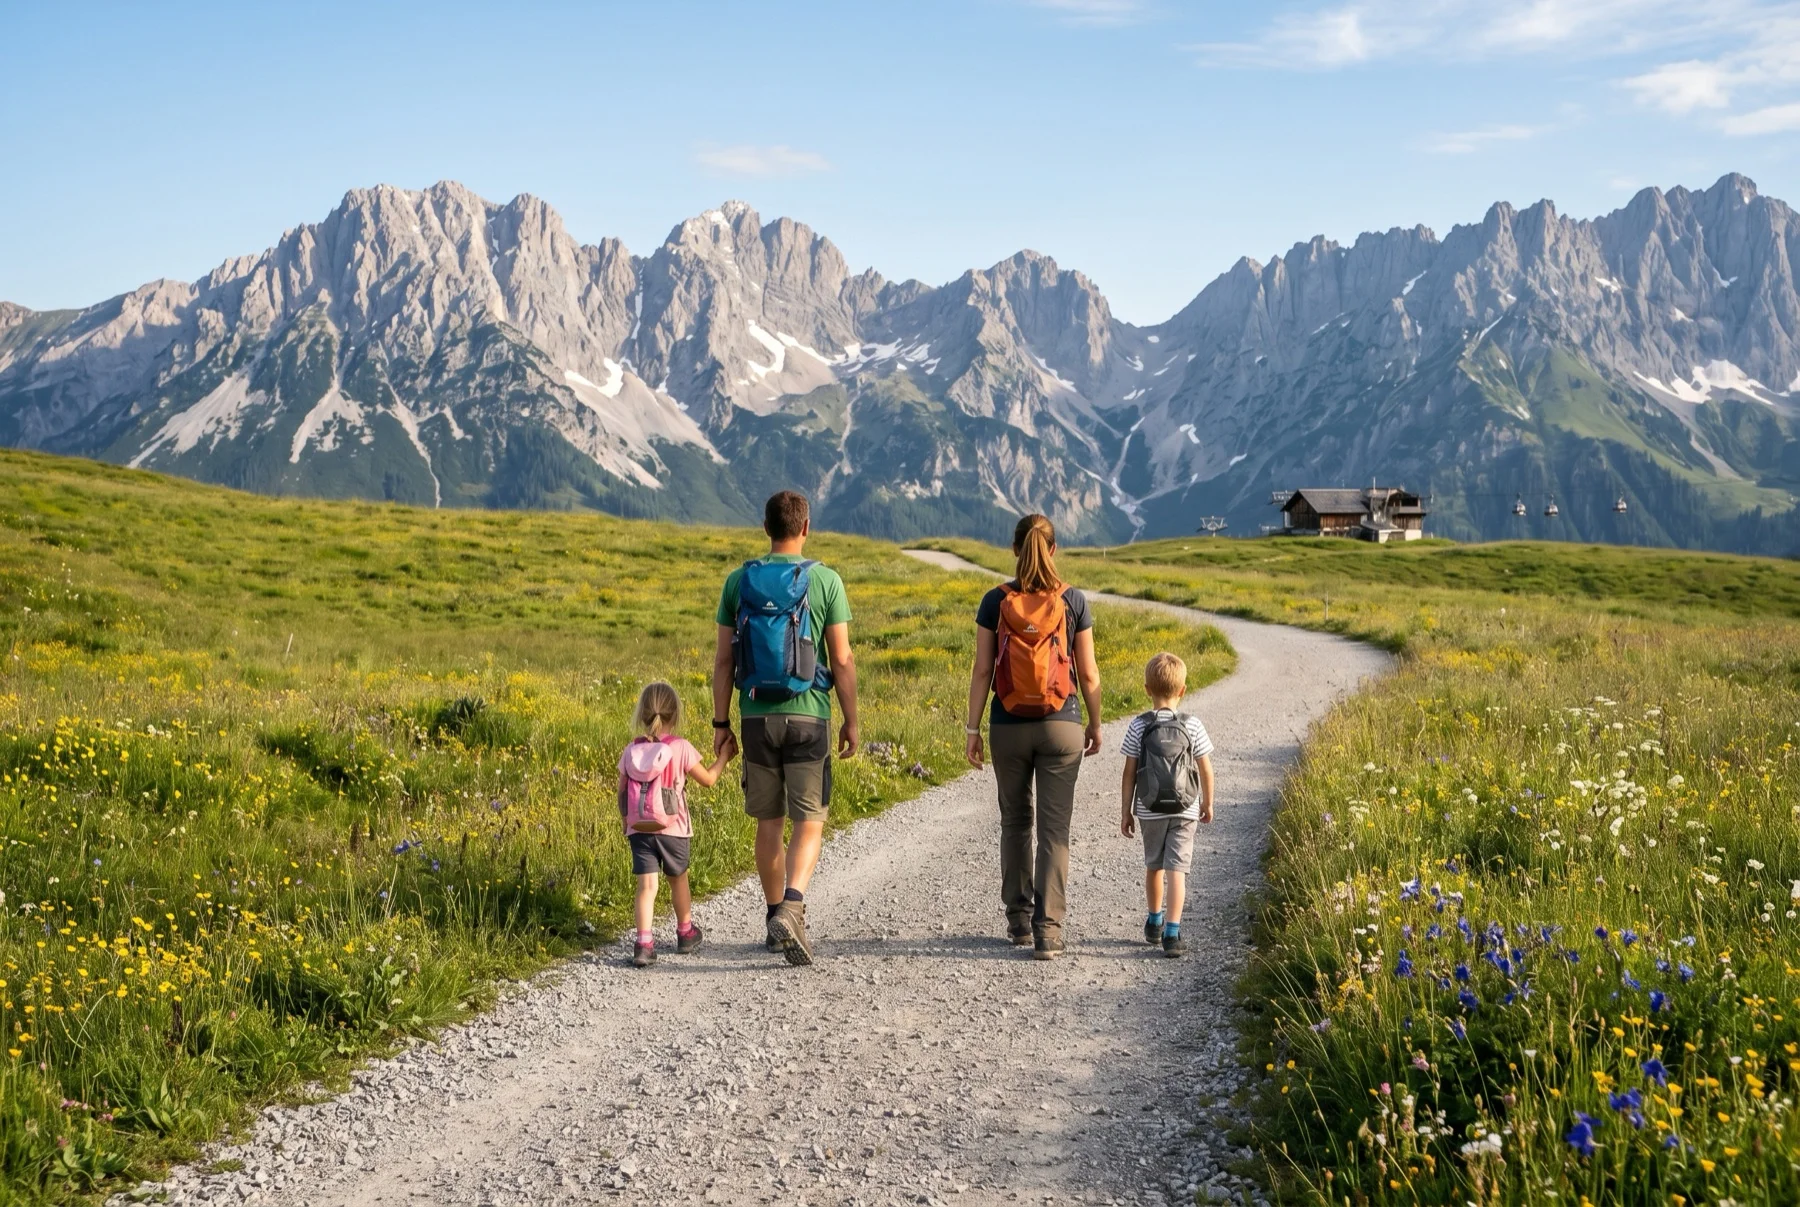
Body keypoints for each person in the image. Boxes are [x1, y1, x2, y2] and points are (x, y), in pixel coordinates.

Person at [713, 490, 859, 966]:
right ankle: (794, 906)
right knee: (810, 819)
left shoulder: (739, 582)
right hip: (809, 714)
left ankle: (775, 915)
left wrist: (720, 723)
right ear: (806, 527)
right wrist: (852, 719)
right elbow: (841, 659)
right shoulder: (826, 581)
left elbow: (723, 661)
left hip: (755, 717)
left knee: (768, 823)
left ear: (766, 528)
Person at [964, 513, 1103, 960]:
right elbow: (1088, 673)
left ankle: (1019, 920)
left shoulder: (995, 600)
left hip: (1007, 725)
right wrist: (1095, 724)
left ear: (1014, 549)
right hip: (1061, 724)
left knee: (1015, 822)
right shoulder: (1073, 601)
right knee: (1054, 830)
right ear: (1054, 550)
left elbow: (983, 670)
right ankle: (1050, 930)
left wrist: (972, 728)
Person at [617, 681, 736, 969]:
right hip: (674, 829)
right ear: (674, 714)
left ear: (643, 714)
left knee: (646, 886)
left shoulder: (631, 751)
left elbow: (622, 791)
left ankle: (644, 944)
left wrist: (626, 822)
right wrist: (724, 757)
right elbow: (707, 780)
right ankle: (685, 932)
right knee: (677, 879)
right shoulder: (680, 747)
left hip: (639, 829)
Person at [1118, 652, 1215, 959]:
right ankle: (1172, 933)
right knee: (1178, 870)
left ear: (1147, 689)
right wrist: (1208, 802)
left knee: (1154, 866)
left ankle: (1154, 920)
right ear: (1183, 690)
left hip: (1149, 809)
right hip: (1186, 809)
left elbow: (1130, 772)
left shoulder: (1138, 726)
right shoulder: (1193, 725)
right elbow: (1206, 768)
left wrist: (1126, 810)